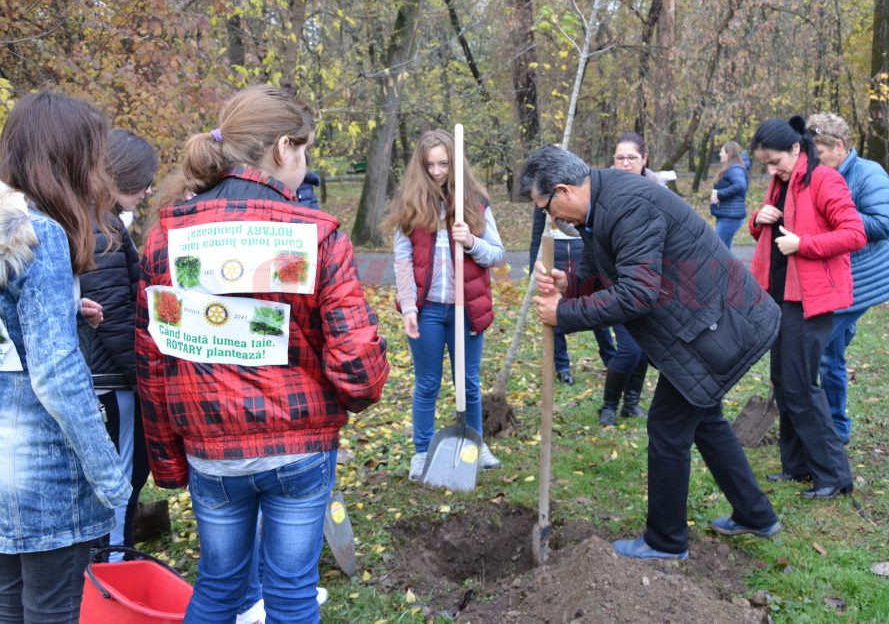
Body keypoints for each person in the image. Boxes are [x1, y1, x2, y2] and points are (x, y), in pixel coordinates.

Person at [136, 85, 389, 622]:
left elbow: (153, 363)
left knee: (218, 588)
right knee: (292, 592)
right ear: (282, 148)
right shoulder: (316, 234)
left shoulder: (165, 237)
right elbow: (357, 367)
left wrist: (168, 461)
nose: (305, 164)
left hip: (211, 450)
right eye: (306, 150)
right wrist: (368, 378)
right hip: (298, 447)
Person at [525, 144, 782, 561]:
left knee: (667, 427)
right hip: (703, 326)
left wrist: (565, 312)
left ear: (563, 189)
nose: (552, 219)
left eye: (548, 208)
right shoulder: (599, 206)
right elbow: (606, 272)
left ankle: (666, 541)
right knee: (706, 419)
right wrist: (570, 285)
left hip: (719, 325)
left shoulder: (628, 206)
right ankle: (756, 514)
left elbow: (638, 293)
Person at [0, 91, 132, 621]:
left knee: (8, 602)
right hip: (43, 468)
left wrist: (69, 310)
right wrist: (108, 475)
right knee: (53, 609)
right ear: (70, 159)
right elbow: (55, 375)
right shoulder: (43, 236)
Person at [748, 116, 866, 499]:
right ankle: (795, 465)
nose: (771, 170)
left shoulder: (824, 180)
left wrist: (805, 245)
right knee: (783, 382)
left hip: (811, 300)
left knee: (801, 385)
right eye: (765, 164)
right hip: (780, 296)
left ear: (797, 150)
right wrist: (756, 219)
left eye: (774, 161)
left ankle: (833, 474)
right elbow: (772, 231)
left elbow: (854, 233)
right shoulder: (781, 182)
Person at [384, 129, 505, 480]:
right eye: (430, 164)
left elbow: (496, 254)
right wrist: (408, 307)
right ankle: (422, 453)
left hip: (466, 309)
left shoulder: (475, 201)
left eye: (443, 163)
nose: (437, 171)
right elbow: (402, 258)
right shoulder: (412, 204)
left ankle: (475, 444)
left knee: (468, 382)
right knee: (427, 384)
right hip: (428, 311)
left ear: (455, 163)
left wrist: (470, 242)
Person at [77, 129, 157, 560]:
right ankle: (112, 566)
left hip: (104, 380)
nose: (147, 189)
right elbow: (115, 320)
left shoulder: (93, 219)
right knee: (120, 480)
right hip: (113, 384)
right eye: (143, 179)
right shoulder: (101, 229)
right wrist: (144, 380)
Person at [808, 113, 889, 444]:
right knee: (830, 352)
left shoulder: (868, 173)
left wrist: (836, 216)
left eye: (818, 152)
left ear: (838, 146)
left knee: (815, 346)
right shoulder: (821, 175)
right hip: (833, 278)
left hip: (862, 279)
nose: (813, 160)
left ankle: (824, 425)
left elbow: (881, 224)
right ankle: (836, 428)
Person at [598, 131, 668, 425]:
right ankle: (608, 407)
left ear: (644, 159)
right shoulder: (603, 191)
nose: (625, 163)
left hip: (652, 284)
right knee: (629, 348)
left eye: (632, 157)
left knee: (644, 347)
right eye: (620, 158)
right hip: (617, 283)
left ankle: (632, 403)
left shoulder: (659, 190)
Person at [710, 140, 749, 249]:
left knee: (719, 250)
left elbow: (741, 185)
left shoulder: (735, 168)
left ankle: (726, 267)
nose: (720, 154)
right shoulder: (731, 167)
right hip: (726, 214)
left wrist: (719, 194)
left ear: (729, 153)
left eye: (722, 151)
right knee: (722, 249)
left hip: (730, 216)